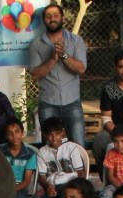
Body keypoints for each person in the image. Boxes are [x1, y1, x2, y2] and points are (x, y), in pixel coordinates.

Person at [29, 3, 87, 149]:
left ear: (62, 18)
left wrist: (64, 55)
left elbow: (81, 69)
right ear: (44, 20)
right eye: (48, 16)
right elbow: (35, 75)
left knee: (78, 146)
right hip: (48, 104)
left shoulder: (76, 41)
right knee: (50, 148)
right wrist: (53, 59)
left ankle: (77, 166)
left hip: (72, 103)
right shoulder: (36, 45)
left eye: (55, 15)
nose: (52, 19)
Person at [28, 116, 88, 198]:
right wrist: (47, 186)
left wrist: (78, 188)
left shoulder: (71, 148)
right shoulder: (42, 152)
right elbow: (41, 177)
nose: (54, 138)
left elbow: (80, 172)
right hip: (52, 186)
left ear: (62, 133)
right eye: (50, 134)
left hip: (70, 185)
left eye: (57, 133)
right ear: (45, 135)